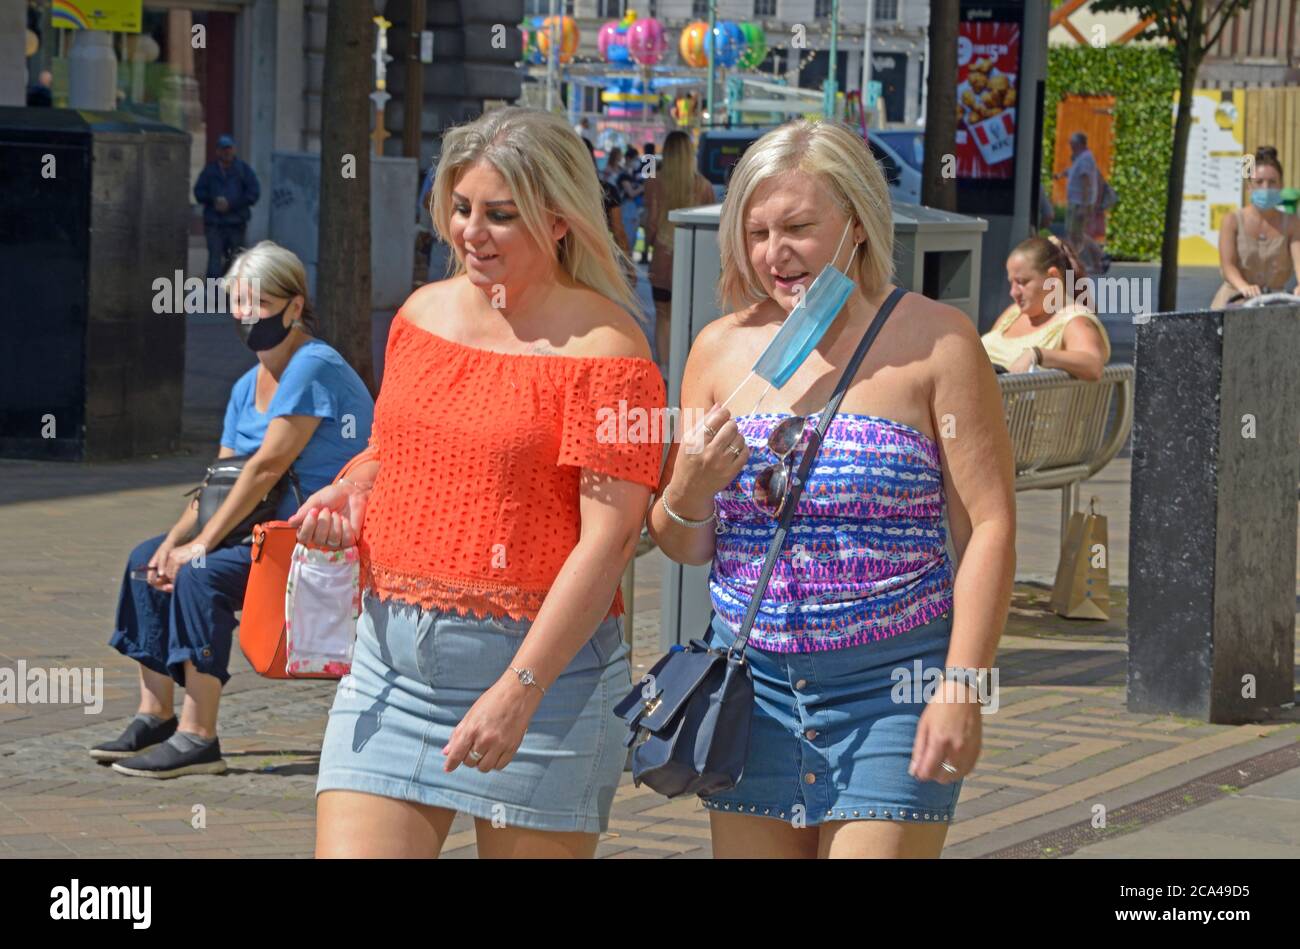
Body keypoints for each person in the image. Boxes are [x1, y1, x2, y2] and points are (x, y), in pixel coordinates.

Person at [299, 106, 666, 859]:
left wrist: (520, 688)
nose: (471, 231)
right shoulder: (421, 316)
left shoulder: (609, 351)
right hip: (390, 668)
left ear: (559, 220)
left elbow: (612, 539)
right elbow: (392, 453)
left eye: (501, 215)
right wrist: (350, 488)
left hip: (546, 680)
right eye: (461, 208)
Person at [648, 119, 1016, 858]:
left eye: (798, 227)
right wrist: (686, 488)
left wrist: (961, 683)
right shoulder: (719, 350)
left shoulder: (936, 341)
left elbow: (990, 527)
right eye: (755, 232)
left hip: (889, 687)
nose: (774, 254)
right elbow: (687, 544)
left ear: (855, 222)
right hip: (751, 693)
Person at [91, 242, 375, 778]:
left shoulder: (313, 364)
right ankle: (156, 716)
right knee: (144, 562)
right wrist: (176, 541)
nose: (247, 316)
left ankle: (200, 736)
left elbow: (266, 469)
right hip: (253, 530)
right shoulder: (248, 385)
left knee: (199, 574)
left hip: (310, 538)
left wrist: (198, 548)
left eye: (260, 302)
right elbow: (220, 483)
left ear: (294, 306)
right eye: (239, 303)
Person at [981, 235, 1110, 380]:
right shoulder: (1014, 313)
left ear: (1053, 277)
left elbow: (1093, 365)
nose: (1013, 292)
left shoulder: (1074, 320)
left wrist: (1038, 354)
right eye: (1011, 283)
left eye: (1022, 282)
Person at [643, 130, 716, 373]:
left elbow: (650, 222)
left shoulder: (654, 182)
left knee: (663, 316)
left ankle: (664, 368)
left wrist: (654, 241)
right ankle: (684, 369)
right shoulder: (703, 186)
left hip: (662, 259)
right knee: (685, 317)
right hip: (692, 262)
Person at [1210, 145, 1300, 309]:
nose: (1265, 188)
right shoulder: (1232, 220)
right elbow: (1227, 265)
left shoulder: (1293, 223)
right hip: (1235, 300)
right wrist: (1244, 286)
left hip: (1274, 304)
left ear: (1281, 186)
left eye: (1272, 182)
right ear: (1249, 187)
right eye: (1259, 182)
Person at [194, 134, 261, 280]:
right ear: (217, 151)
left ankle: (233, 295)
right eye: (223, 149)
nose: (227, 152)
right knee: (214, 261)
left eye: (229, 149)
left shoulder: (244, 170)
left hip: (236, 223)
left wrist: (232, 205)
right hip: (215, 224)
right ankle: (213, 296)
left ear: (234, 150)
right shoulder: (209, 171)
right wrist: (213, 201)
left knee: (237, 261)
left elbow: (254, 193)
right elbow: (198, 192)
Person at [1052, 132, 1104, 275]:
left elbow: (1086, 182)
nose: (1070, 147)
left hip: (1079, 203)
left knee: (1077, 234)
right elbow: (1073, 171)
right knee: (1075, 234)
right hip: (1076, 202)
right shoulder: (1081, 158)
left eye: (1072, 144)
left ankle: (1098, 258)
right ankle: (1090, 263)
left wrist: (1084, 206)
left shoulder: (1085, 159)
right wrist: (1061, 175)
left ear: (1079, 144)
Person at [617, 146, 645, 264]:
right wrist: (643, 187)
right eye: (634, 159)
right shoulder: (624, 175)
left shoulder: (633, 175)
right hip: (626, 209)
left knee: (632, 240)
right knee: (628, 241)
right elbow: (631, 193)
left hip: (633, 210)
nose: (636, 162)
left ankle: (628, 265)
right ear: (628, 159)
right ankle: (625, 266)